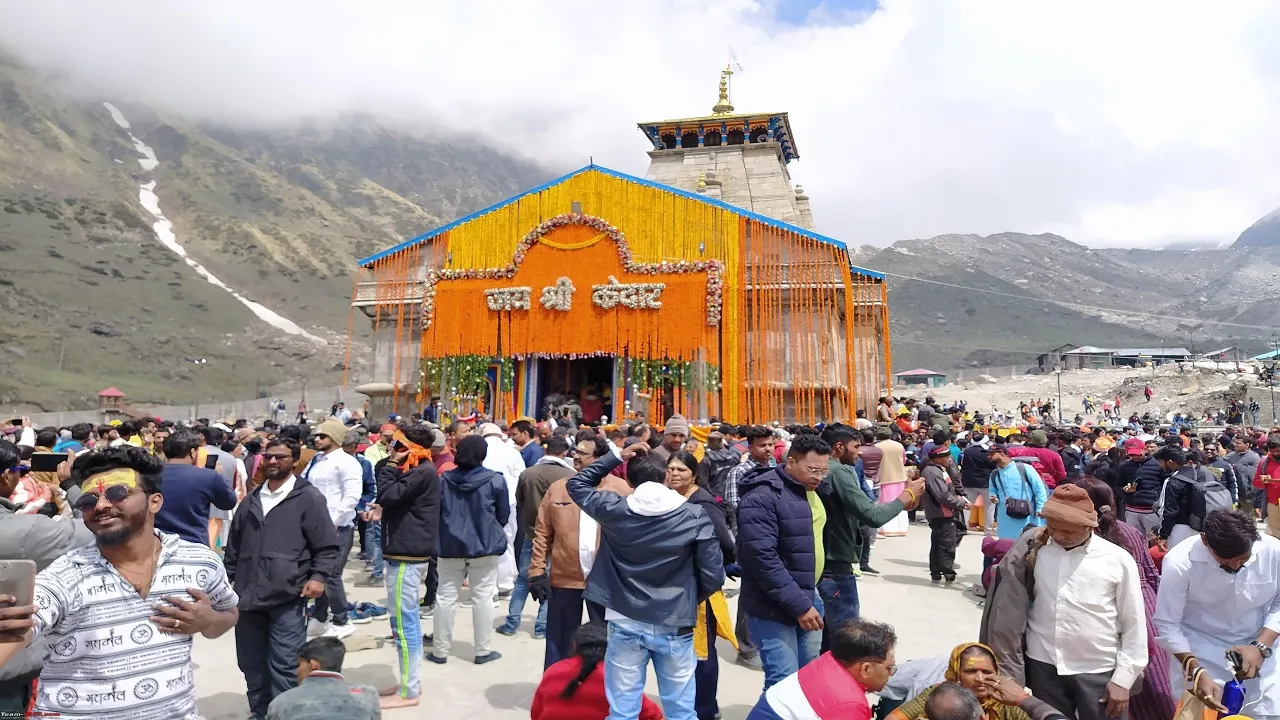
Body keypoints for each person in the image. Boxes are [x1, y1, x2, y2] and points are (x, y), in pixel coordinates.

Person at [0, 446, 240, 720]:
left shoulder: (199, 562)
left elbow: (230, 612)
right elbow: (22, 625)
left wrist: (208, 622)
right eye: (88, 500)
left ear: (155, 502)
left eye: (117, 493)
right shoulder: (65, 575)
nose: (101, 505)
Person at [566, 441, 724, 720]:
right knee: (681, 711)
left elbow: (577, 485)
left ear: (628, 479)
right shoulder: (693, 515)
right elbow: (713, 575)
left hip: (624, 616)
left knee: (623, 710)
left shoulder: (614, 508)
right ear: (666, 477)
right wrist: (688, 598)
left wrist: (615, 456)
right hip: (674, 619)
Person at [980, 484, 1146, 720]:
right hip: (1043, 665)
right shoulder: (1036, 550)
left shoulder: (1117, 560)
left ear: (1090, 527)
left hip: (1098, 669)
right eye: (1053, 528)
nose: (1058, 536)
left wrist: (1123, 679)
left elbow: (1134, 624)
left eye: (1068, 532)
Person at [225, 438, 341, 720]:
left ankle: (284, 714)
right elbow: (234, 548)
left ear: (294, 461)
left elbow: (326, 545)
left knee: (286, 664)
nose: (274, 462)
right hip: (248, 597)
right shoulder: (251, 500)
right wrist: (227, 584)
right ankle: (260, 713)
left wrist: (318, 577)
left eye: (281, 457)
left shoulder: (308, 498)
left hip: (288, 595)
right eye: (270, 457)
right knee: (250, 662)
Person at [1153, 509, 1280, 719]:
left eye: (1243, 559)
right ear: (1205, 541)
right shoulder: (1180, 562)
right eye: (1226, 561)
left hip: (1260, 651)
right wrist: (1196, 671)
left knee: (1266, 712)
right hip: (1200, 653)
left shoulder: (1273, 551)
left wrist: (1261, 646)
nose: (1235, 566)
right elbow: (1168, 624)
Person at [1070, 478, 1177, 720]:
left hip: (1110, 610)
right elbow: (1152, 575)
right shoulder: (1130, 531)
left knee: (1121, 681)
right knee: (1156, 680)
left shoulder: (1083, 536)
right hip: (1147, 608)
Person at [0, 440, 92, 711]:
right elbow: (92, 529)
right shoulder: (28, 532)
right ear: (7, 476)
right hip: (8, 678)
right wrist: (71, 484)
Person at [738, 433, 832, 691]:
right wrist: (800, 606)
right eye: (813, 470)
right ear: (790, 462)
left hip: (809, 595)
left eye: (824, 471)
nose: (819, 477)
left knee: (806, 679)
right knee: (783, 682)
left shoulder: (810, 489)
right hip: (772, 604)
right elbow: (762, 559)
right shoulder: (762, 497)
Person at [528, 437, 632, 668]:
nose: (575, 456)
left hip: (606, 582)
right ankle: (557, 689)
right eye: (575, 451)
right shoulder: (559, 489)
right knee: (560, 639)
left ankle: (601, 691)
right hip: (565, 578)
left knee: (608, 641)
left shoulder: (621, 490)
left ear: (600, 460)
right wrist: (536, 571)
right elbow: (543, 533)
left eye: (583, 453)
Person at [818, 424, 923, 632]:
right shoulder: (839, 472)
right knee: (845, 637)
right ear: (839, 446)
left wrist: (901, 503)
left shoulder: (825, 468)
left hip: (825, 561)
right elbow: (873, 516)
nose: (859, 452)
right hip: (835, 565)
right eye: (856, 447)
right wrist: (907, 495)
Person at [665, 450, 738, 720]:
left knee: (702, 651)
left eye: (680, 470)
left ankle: (706, 708)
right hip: (679, 588)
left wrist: (715, 568)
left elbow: (726, 544)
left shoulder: (703, 503)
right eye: (671, 469)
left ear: (694, 475)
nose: (674, 474)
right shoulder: (672, 498)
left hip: (702, 590)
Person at [373, 425, 440, 708]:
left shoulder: (420, 472)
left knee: (403, 623)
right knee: (402, 620)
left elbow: (386, 495)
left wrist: (390, 464)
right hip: (405, 551)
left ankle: (409, 691)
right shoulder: (418, 471)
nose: (391, 450)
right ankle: (407, 681)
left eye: (397, 446)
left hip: (407, 555)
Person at [430, 434, 509, 664]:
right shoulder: (495, 480)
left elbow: (436, 511)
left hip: (449, 545)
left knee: (445, 597)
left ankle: (440, 651)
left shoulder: (444, 480)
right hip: (485, 545)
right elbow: (502, 515)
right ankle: (483, 650)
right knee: (482, 597)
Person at [746, 618, 897, 720]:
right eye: (889, 668)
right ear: (866, 669)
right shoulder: (850, 705)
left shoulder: (829, 660)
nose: (891, 674)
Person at [499, 436, 573, 640]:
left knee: (523, 580)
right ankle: (541, 627)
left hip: (532, 533)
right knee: (549, 580)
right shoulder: (570, 475)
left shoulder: (527, 474)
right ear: (564, 452)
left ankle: (511, 622)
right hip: (558, 537)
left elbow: (519, 502)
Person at [887, 643, 1068, 720]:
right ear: (956, 673)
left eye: (987, 672)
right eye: (971, 671)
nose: (980, 679)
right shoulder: (940, 694)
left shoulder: (1007, 700)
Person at [531, 621, 663, 720]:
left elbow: (536, 713)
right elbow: (653, 714)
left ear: (574, 645)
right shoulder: (617, 675)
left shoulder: (554, 670)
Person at [724, 424, 777, 670]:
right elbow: (736, 508)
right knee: (749, 594)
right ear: (750, 446)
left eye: (770, 445)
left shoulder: (776, 468)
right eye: (762, 445)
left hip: (775, 539)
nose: (767, 450)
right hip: (749, 540)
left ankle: (764, 642)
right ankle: (746, 648)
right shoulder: (739, 472)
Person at [154, 428, 239, 546]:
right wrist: (220, 476)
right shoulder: (208, 477)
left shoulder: (151, 475)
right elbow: (228, 503)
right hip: (194, 544)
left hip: (157, 544)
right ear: (193, 452)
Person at [266, 637, 379, 720]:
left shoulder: (280, 702)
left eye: (299, 664)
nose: (297, 671)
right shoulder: (367, 695)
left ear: (313, 665)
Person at [1154, 445, 1232, 551]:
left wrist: (1163, 535)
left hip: (1180, 528)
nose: (1160, 465)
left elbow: (1169, 511)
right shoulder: (1202, 473)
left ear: (1170, 461)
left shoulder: (1172, 480)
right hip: (1203, 526)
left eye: (1161, 462)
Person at [922, 445, 970, 585]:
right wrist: (961, 504)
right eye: (947, 457)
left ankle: (936, 572)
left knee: (939, 543)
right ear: (938, 459)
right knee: (946, 544)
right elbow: (942, 495)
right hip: (941, 513)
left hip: (942, 512)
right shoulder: (932, 472)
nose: (950, 460)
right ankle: (948, 573)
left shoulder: (937, 470)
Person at [986, 444, 1047, 541]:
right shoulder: (994, 474)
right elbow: (993, 491)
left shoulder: (1024, 468)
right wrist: (993, 497)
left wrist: (1040, 508)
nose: (988, 457)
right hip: (1005, 518)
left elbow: (1039, 490)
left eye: (991, 454)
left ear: (1002, 454)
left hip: (1027, 516)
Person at [874, 427, 911, 537]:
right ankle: (901, 529)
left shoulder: (876, 447)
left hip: (883, 478)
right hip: (899, 477)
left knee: (884, 503)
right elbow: (904, 460)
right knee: (900, 502)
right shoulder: (899, 446)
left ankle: (885, 529)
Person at [960, 435, 995, 534]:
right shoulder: (987, 452)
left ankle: (963, 527)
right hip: (986, 483)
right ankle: (988, 530)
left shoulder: (967, 451)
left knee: (966, 506)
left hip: (969, 482)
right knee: (989, 507)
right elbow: (992, 466)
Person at [1225, 435, 1261, 518]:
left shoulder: (1254, 458)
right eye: (1235, 442)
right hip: (1233, 492)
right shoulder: (1230, 456)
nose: (1235, 445)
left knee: (1248, 517)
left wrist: (1238, 467)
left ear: (1247, 445)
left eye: (1239, 443)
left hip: (1247, 493)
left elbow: (1254, 475)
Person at [1253, 437, 1280, 538]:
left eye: (1277, 451)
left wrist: (1272, 480)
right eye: (1272, 451)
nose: (1275, 454)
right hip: (1273, 503)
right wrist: (1263, 481)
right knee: (1275, 532)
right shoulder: (1264, 462)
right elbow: (1256, 482)